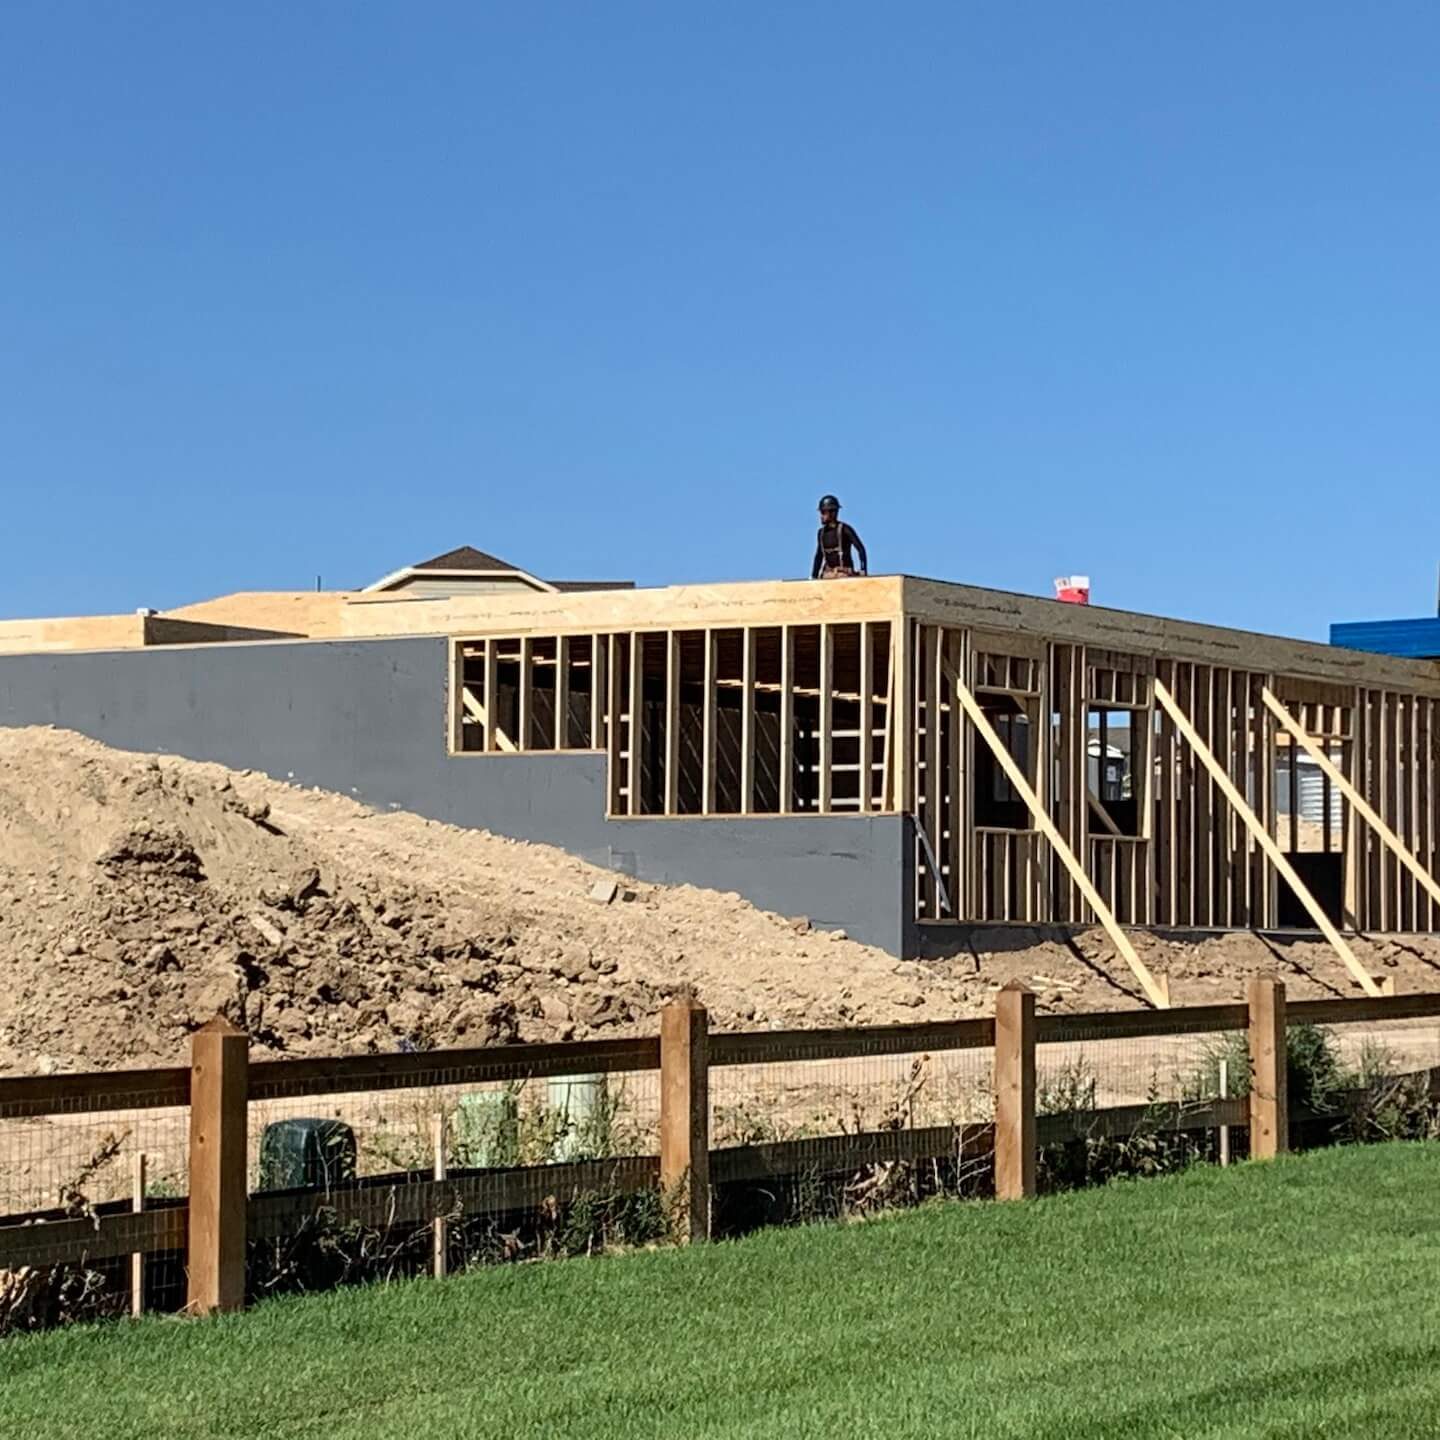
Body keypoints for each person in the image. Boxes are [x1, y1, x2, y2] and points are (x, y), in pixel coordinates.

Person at [811, 495, 868, 579]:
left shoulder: (844, 530)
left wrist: (863, 570)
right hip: (827, 574)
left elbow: (860, 549)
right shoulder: (821, 533)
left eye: (823, 512)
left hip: (844, 573)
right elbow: (819, 556)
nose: (821, 516)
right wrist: (814, 576)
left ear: (832, 513)